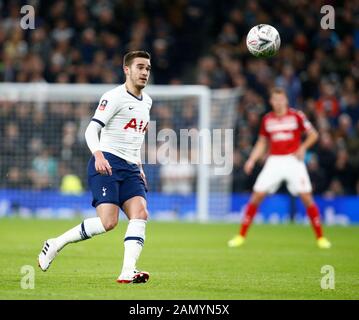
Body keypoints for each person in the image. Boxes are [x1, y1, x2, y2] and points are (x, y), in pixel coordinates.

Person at [38, 51, 152, 283]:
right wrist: (98, 155)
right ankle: (56, 243)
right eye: (140, 67)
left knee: (140, 214)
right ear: (127, 70)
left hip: (130, 167)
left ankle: (127, 271)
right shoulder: (113, 97)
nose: (144, 72)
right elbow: (91, 130)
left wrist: (139, 165)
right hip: (107, 163)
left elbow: (135, 138)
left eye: (148, 68)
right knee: (108, 223)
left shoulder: (147, 101)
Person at [228, 87, 331, 249]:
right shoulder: (267, 119)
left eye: (280, 99)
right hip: (274, 161)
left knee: (306, 197)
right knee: (256, 196)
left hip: (293, 161)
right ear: (271, 102)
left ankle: (320, 238)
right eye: (275, 99)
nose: (278, 102)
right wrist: (251, 160)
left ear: (286, 100)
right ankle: (240, 236)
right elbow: (262, 143)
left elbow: (313, 134)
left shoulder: (296, 116)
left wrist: (303, 148)